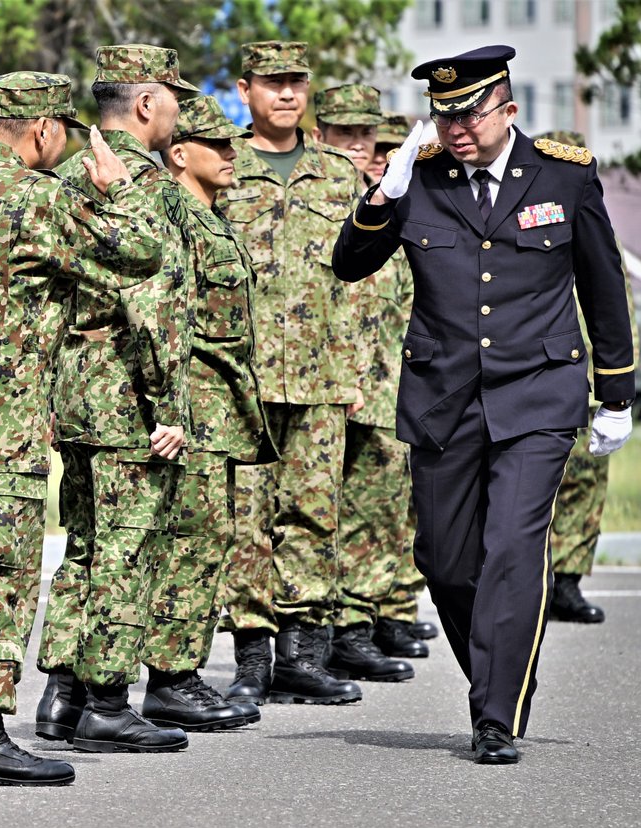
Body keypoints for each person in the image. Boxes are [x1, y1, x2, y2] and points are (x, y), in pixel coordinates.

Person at [332, 45, 635, 764]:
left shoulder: (564, 175)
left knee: (511, 549)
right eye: (445, 116)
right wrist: (382, 196)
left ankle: (493, 713)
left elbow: (603, 284)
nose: (457, 127)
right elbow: (350, 264)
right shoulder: (420, 181)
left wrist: (615, 392)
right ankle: (502, 668)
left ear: (508, 108)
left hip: (539, 392)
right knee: (443, 559)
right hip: (444, 400)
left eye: (469, 113)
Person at [0, 71, 165, 786]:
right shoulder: (37, 200)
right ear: (45, 129)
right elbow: (142, 252)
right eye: (64, 133)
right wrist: (117, 186)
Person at [219, 42, 403, 709]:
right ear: (246, 89)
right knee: (245, 520)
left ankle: (303, 654)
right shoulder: (222, 165)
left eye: (297, 81)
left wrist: (360, 371)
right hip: (244, 379)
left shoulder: (337, 173)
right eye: (273, 83)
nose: (287, 94)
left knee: (313, 515)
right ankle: (250, 656)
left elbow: (365, 275)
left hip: (325, 377)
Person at [33, 43, 201, 753]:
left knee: (85, 545)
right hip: (130, 390)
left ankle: (62, 695)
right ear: (144, 104)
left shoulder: (65, 175)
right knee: (129, 547)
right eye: (174, 99)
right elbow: (155, 300)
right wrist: (172, 405)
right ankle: (107, 700)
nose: (180, 113)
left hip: (74, 393)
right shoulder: (147, 185)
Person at [143, 93, 269, 730]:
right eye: (216, 145)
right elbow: (166, 318)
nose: (231, 155)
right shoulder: (175, 216)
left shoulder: (213, 217)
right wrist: (173, 408)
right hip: (192, 401)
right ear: (178, 151)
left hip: (222, 406)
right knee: (191, 540)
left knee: (209, 536)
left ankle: (175, 672)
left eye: (233, 144)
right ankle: (172, 677)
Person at [314, 88, 431, 661]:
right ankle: (341, 624)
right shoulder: (316, 201)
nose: (362, 147)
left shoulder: (398, 199)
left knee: (384, 505)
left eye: (372, 137)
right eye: (347, 134)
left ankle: (376, 613)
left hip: (388, 380)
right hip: (325, 380)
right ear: (322, 136)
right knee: (322, 509)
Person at [539, 130, 639, 626]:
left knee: (586, 483)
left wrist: (618, 388)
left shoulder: (597, 227)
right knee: (538, 488)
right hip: (548, 378)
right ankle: (540, 579)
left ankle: (571, 581)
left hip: (594, 383)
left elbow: (618, 311)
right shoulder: (532, 227)